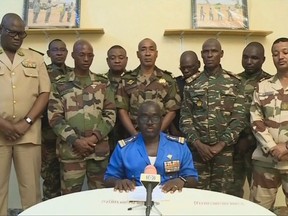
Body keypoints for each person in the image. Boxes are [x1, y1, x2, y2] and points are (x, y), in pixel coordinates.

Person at [48, 39, 116, 195]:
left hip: (98, 152)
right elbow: (55, 117)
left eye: (90, 55)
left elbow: (110, 114)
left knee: (100, 197)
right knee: (69, 200)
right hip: (71, 152)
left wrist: (93, 139)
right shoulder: (60, 84)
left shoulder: (103, 83)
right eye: (81, 55)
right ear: (72, 55)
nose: (86, 59)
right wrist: (75, 141)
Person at [180, 38, 246, 194]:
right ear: (201, 55)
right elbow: (185, 119)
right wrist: (198, 144)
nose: (209, 55)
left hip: (224, 153)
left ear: (221, 54)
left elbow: (239, 118)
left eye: (214, 51)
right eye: (206, 52)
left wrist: (220, 145)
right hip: (198, 153)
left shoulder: (235, 82)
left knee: (223, 197)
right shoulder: (192, 83)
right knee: (195, 195)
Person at [0, 13, 50, 215]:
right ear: (1, 30)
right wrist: (4, 125)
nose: (17, 37)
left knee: (31, 192)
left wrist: (26, 122)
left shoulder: (35, 59)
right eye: (12, 32)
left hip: (27, 134)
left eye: (22, 34)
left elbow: (44, 92)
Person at [104, 101, 198, 192]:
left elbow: (193, 178)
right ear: (138, 121)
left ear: (161, 120)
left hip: (170, 201)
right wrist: (118, 182)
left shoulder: (179, 147)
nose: (150, 122)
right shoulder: (124, 148)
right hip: (134, 200)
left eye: (155, 117)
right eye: (144, 117)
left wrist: (182, 181)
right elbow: (108, 178)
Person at [228, 42, 272, 198]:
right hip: (234, 146)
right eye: (245, 57)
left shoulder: (269, 84)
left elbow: (270, 117)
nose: (249, 61)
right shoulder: (233, 81)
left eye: (254, 58)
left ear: (263, 59)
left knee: (259, 193)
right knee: (232, 192)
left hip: (259, 147)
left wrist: (248, 138)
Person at [250, 37, 288, 210]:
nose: (280, 56)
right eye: (275, 53)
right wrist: (272, 146)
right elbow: (255, 119)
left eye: (285, 52)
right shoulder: (263, 87)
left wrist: (285, 147)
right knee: (259, 211)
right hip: (266, 161)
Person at [116, 38, 181, 137]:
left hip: (160, 137)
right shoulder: (126, 79)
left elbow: (172, 111)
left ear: (156, 53)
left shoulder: (168, 80)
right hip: (133, 136)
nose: (147, 53)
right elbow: (122, 110)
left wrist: (157, 134)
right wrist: (134, 134)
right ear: (138, 54)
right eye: (143, 49)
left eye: (151, 49)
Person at [41, 39, 73, 200]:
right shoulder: (42, 72)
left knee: (69, 180)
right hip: (48, 136)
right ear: (48, 54)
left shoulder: (74, 73)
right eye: (55, 50)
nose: (59, 53)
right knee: (51, 178)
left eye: (62, 50)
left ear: (67, 53)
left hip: (70, 135)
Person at [169, 50, 200, 137]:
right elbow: (168, 110)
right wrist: (174, 131)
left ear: (198, 64)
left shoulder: (207, 83)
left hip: (202, 135)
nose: (186, 71)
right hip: (179, 134)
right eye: (183, 68)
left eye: (190, 67)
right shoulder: (176, 83)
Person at [106, 45, 129, 153]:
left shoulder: (134, 80)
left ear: (126, 59)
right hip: (107, 134)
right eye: (113, 58)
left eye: (121, 57)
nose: (117, 61)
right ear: (107, 60)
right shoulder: (100, 82)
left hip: (129, 132)